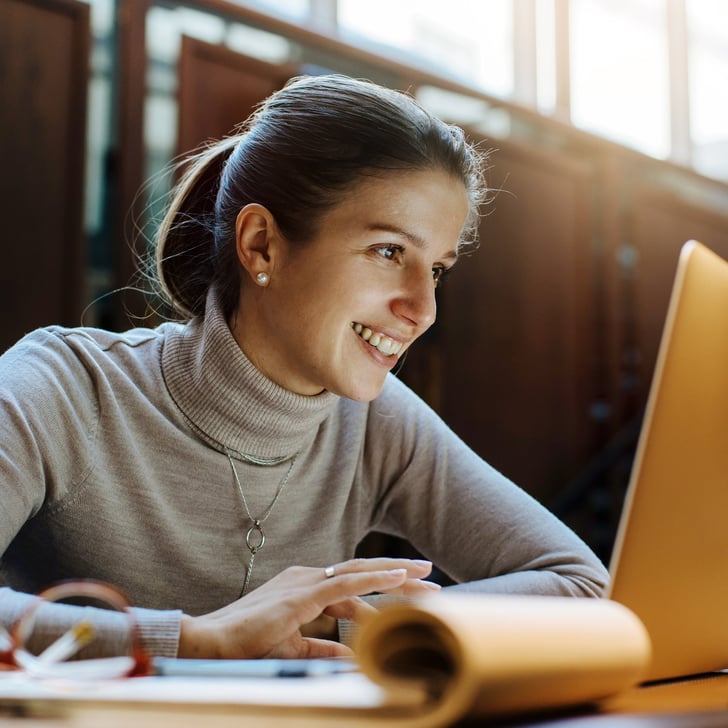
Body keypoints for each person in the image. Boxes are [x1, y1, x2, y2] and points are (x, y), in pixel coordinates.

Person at [0, 74, 608, 664]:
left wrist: (359, 620)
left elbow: (581, 585)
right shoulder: (61, 385)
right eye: (387, 251)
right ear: (262, 244)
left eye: (438, 268)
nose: (423, 310)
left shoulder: (373, 422)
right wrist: (197, 639)